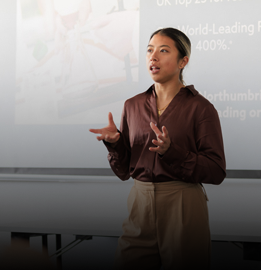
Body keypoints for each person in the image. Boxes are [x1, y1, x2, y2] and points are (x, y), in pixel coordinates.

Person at [89, 27, 226, 270]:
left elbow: (216, 171)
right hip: (139, 203)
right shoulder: (132, 105)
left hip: (183, 202)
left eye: (163, 51)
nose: (153, 57)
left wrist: (171, 152)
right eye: (150, 50)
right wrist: (115, 145)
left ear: (183, 61)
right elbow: (123, 172)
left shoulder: (201, 108)